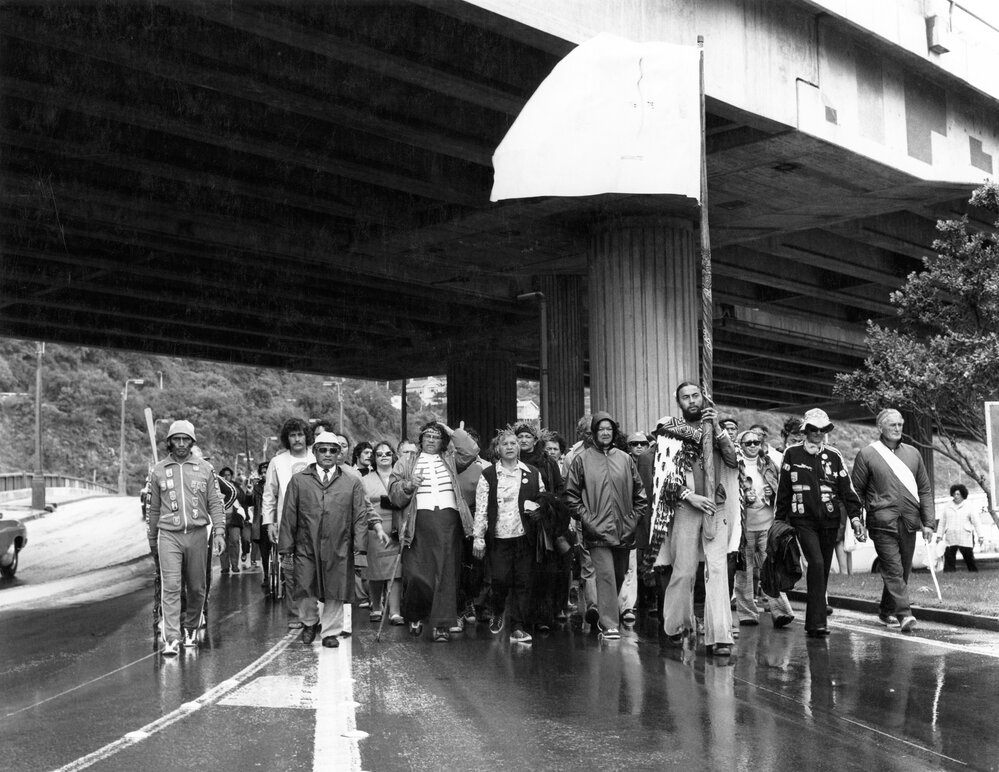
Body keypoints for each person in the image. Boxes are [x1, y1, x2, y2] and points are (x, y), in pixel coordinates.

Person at [645, 383, 739, 656]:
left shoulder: (715, 428)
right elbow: (663, 476)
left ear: (703, 398)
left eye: (695, 395)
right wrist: (689, 496)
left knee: (718, 572)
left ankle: (720, 636)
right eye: (685, 397)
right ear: (679, 403)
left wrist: (718, 429)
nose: (691, 401)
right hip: (686, 507)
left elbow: (732, 461)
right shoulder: (670, 431)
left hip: (716, 506)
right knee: (684, 570)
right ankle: (675, 627)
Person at [279, 432, 385, 648]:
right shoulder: (299, 481)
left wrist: (359, 550)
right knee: (305, 587)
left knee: (335, 590)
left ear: (339, 454)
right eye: (323, 449)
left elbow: (359, 518)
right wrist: (286, 550)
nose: (328, 454)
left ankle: (330, 632)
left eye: (333, 450)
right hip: (306, 544)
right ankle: (309, 623)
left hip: (340, 545)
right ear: (315, 452)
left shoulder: (351, 482)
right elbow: (289, 516)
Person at [776, 408, 864, 637]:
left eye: (822, 429)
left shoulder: (834, 455)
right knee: (815, 563)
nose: (817, 433)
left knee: (822, 568)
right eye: (813, 429)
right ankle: (816, 623)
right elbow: (783, 490)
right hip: (802, 519)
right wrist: (778, 521)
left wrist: (856, 519)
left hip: (830, 519)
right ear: (806, 430)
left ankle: (817, 618)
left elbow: (848, 491)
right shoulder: (792, 453)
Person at [389, 420, 479, 642]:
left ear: (442, 441)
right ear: (420, 439)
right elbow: (393, 493)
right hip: (418, 521)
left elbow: (471, 450)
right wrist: (408, 485)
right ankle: (416, 614)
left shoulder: (450, 458)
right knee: (417, 574)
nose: (431, 440)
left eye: (436, 437)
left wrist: (452, 431)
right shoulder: (406, 461)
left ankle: (442, 625)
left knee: (447, 575)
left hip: (448, 520)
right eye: (427, 436)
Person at [565, 411, 646, 641]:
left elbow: (641, 496)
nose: (605, 433)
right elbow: (570, 496)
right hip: (596, 531)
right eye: (601, 429)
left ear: (614, 432)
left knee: (619, 575)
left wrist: (632, 521)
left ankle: (604, 610)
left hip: (624, 530)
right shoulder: (582, 459)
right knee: (606, 575)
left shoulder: (625, 458)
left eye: (609, 429)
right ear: (593, 433)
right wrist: (588, 520)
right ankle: (609, 624)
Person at [147, 420, 226, 655]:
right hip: (169, 535)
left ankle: (191, 627)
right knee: (170, 586)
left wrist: (219, 531)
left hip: (198, 534)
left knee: (197, 586)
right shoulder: (159, 470)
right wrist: (152, 539)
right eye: (176, 439)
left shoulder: (204, 468)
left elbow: (215, 502)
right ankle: (171, 637)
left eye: (185, 439)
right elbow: (153, 509)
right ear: (169, 442)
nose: (181, 444)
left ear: (192, 442)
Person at [852, 408, 935, 632]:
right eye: (892, 425)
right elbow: (856, 493)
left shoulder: (913, 454)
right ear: (881, 428)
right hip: (881, 522)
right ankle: (904, 614)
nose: (898, 429)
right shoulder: (867, 454)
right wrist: (856, 520)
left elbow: (925, 490)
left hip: (909, 521)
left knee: (902, 571)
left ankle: (886, 610)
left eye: (900, 424)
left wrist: (928, 522)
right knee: (893, 569)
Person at [473, 429, 546, 644]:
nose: (510, 446)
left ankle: (518, 626)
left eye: (514, 443)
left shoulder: (532, 473)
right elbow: (482, 508)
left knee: (524, 581)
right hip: (499, 537)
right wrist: (479, 536)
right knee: (500, 579)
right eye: (505, 444)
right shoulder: (488, 475)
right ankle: (497, 611)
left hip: (524, 536)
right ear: (498, 449)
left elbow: (543, 499)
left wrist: (538, 510)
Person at [734, 429, 795, 628]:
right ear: (741, 446)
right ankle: (747, 613)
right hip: (744, 527)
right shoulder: (734, 465)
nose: (752, 445)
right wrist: (743, 496)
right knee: (744, 571)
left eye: (756, 442)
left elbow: (783, 493)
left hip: (767, 525)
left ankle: (781, 611)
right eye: (748, 442)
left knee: (771, 568)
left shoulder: (770, 464)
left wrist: (772, 492)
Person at [262, 418, 314, 628]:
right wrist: (270, 523)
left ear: (306, 436)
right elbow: (269, 495)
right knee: (290, 570)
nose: (297, 439)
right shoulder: (278, 462)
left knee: (313, 569)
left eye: (300, 434)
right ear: (287, 439)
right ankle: (295, 614)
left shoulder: (316, 456)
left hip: (314, 523)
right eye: (292, 435)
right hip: (287, 524)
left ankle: (313, 612)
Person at [362, 441, 405, 623]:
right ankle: (377, 606)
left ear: (393, 456)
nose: (384, 456)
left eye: (388, 453)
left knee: (396, 571)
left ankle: (394, 611)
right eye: (379, 454)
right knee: (375, 570)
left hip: (396, 526)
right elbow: (363, 505)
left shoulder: (400, 477)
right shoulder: (364, 480)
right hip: (374, 527)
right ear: (374, 458)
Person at [937, 484, 981, 572]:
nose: (956, 496)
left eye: (958, 494)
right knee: (949, 556)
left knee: (968, 556)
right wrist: (939, 535)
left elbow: (976, 522)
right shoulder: (947, 506)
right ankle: (949, 573)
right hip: (951, 535)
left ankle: (973, 572)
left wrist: (981, 536)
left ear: (963, 495)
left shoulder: (969, 506)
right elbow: (942, 522)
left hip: (965, 535)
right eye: (954, 494)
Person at [250, 461, 271, 591]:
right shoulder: (257, 487)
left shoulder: (279, 484)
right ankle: (267, 576)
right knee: (264, 552)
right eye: (262, 473)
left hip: (277, 522)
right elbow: (249, 502)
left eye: (266, 472)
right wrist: (249, 492)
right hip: (262, 522)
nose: (264, 475)